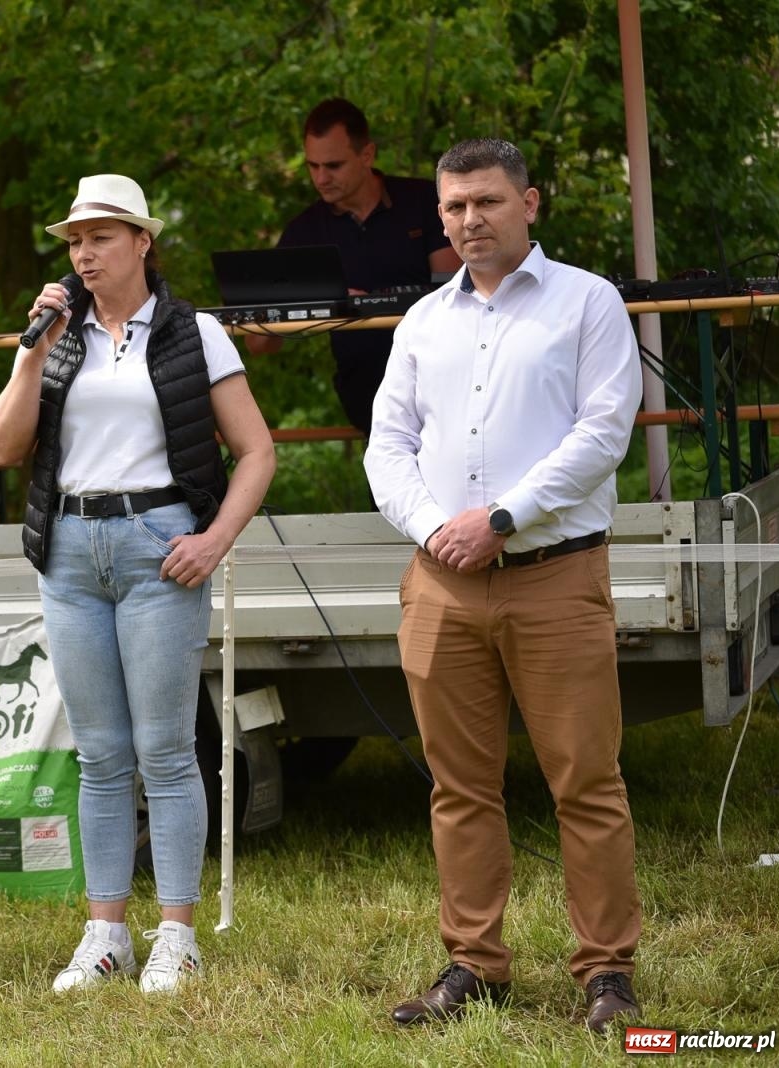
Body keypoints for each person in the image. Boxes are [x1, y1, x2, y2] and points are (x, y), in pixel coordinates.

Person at [363, 138, 644, 1034]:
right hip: (440, 580)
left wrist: (502, 519)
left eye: (486, 202)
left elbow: (604, 432)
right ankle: (473, 965)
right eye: (453, 207)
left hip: (554, 575)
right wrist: (434, 529)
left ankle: (606, 974)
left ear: (531, 203)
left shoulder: (588, 303)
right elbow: (387, 446)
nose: (469, 220)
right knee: (459, 784)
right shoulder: (422, 322)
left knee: (586, 781)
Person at [0, 174, 276, 994]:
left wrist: (214, 540)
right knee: (100, 756)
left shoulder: (194, 333)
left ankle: (176, 935)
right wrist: (30, 350)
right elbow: (4, 448)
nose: (83, 253)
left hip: (159, 544)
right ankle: (105, 933)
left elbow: (256, 453)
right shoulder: (59, 335)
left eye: (102, 237)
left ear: (143, 242)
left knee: (166, 752)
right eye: (75, 240)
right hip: (70, 551)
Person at [245, 99, 461, 436]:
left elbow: (457, 299)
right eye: (312, 166)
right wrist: (318, 308)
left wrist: (364, 305)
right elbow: (260, 345)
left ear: (367, 155)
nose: (321, 178)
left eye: (333, 165)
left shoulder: (422, 202)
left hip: (445, 385)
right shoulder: (304, 232)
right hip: (369, 401)